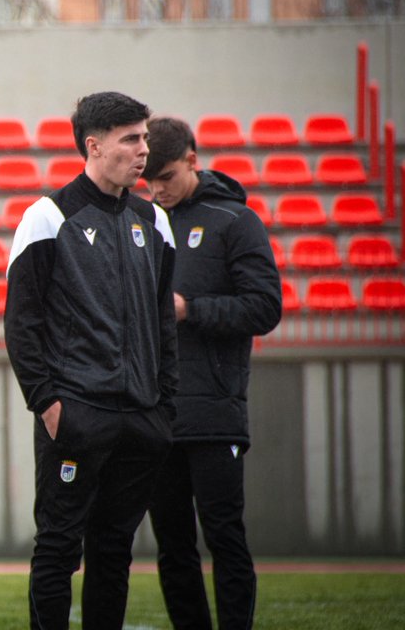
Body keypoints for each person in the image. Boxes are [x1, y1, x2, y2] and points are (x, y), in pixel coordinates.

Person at [5, 92, 178, 630]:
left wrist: (163, 408)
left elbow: (164, 326)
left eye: (145, 137)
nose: (143, 149)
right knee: (58, 549)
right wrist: (50, 405)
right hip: (76, 417)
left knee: (115, 552)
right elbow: (21, 324)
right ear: (94, 145)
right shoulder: (47, 217)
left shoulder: (155, 222)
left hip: (141, 421)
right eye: (131, 139)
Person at [142, 117, 281, 630]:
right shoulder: (143, 220)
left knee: (225, 537)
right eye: (150, 181)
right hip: (157, 413)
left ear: (194, 160)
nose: (158, 190)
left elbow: (265, 307)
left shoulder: (234, 221)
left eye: (168, 177)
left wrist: (190, 309)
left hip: (216, 410)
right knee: (172, 547)